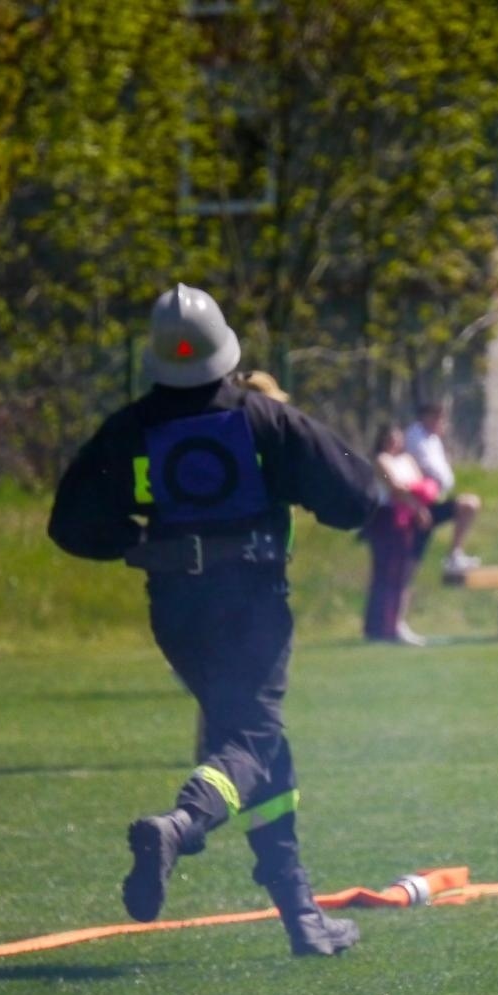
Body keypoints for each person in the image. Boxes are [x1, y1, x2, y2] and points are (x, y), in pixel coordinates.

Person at [48, 284, 378, 957]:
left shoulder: (131, 428)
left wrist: (136, 539)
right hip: (252, 602)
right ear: (223, 349)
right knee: (252, 740)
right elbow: (356, 496)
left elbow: (70, 524)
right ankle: (181, 823)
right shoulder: (261, 420)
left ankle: (301, 915)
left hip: (175, 611)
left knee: (258, 746)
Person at [361, 422, 438, 646]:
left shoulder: (406, 460)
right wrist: (417, 506)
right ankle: (382, 626)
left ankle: (392, 623)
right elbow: (396, 488)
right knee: (387, 572)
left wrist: (418, 501)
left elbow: (418, 483)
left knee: (401, 573)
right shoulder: (381, 460)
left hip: (406, 517)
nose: (394, 442)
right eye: (389, 438)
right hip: (388, 518)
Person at [404, 399, 481, 576]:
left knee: (468, 505)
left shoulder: (433, 439)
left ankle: (454, 555)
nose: (442, 423)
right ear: (428, 417)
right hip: (417, 504)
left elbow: (444, 473)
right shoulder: (415, 436)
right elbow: (428, 467)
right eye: (439, 418)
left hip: (433, 499)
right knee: (410, 563)